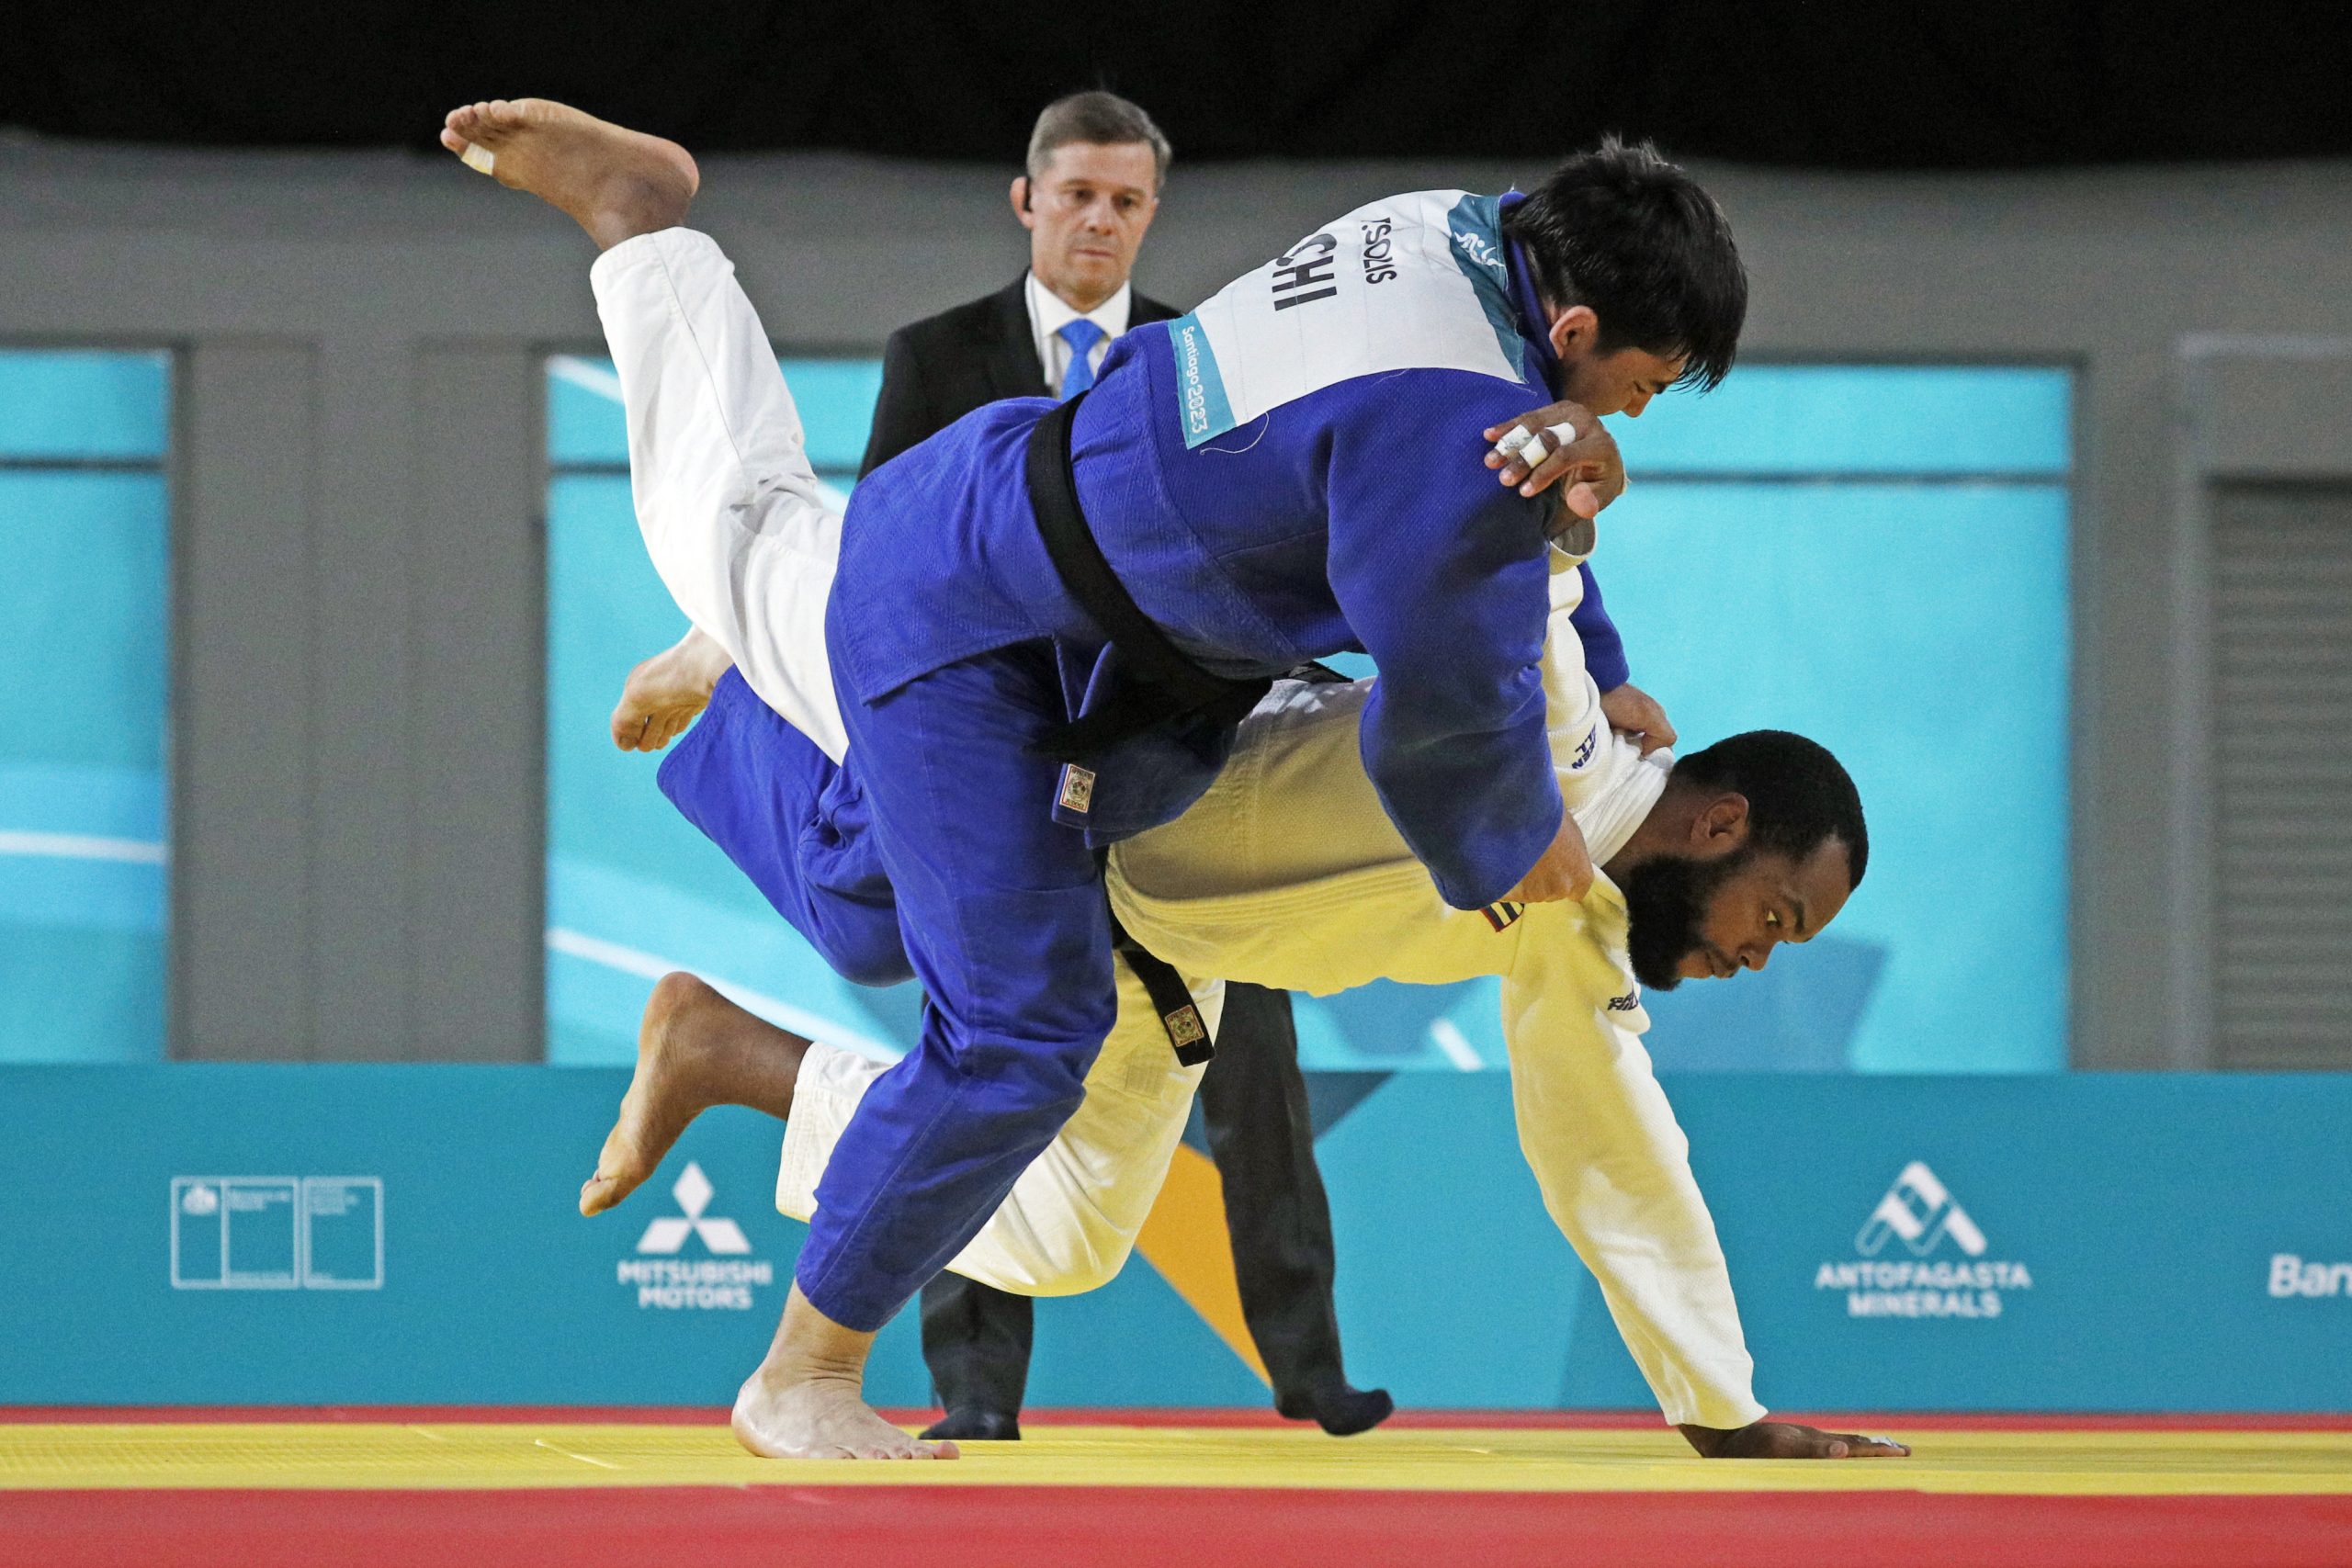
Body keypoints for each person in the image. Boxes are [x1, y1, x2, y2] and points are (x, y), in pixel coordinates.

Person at [440, 95, 1742, 1461]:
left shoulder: (1446, 231)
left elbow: (1512, 534)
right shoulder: (1453, 425)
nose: (1626, 417)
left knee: (870, 911)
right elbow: (1442, 701)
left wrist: (1595, 653)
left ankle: (740, 668)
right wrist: (1509, 844)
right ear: (1578, 333)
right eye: (1641, 389)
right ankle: (804, 1375)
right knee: (1023, 1021)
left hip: (1077, 629)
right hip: (980, 629)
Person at [615, 90, 1391, 1443]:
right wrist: (723, 635)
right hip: (965, 683)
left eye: (1127, 200)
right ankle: (968, 1395)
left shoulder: (1202, 362)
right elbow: (847, 552)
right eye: (1078, 193)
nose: (1100, 219)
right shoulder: (946, 353)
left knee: (1175, 1108)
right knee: (969, 1017)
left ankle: (1310, 1376)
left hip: (1157, 759)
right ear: (1026, 200)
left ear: (1153, 215)